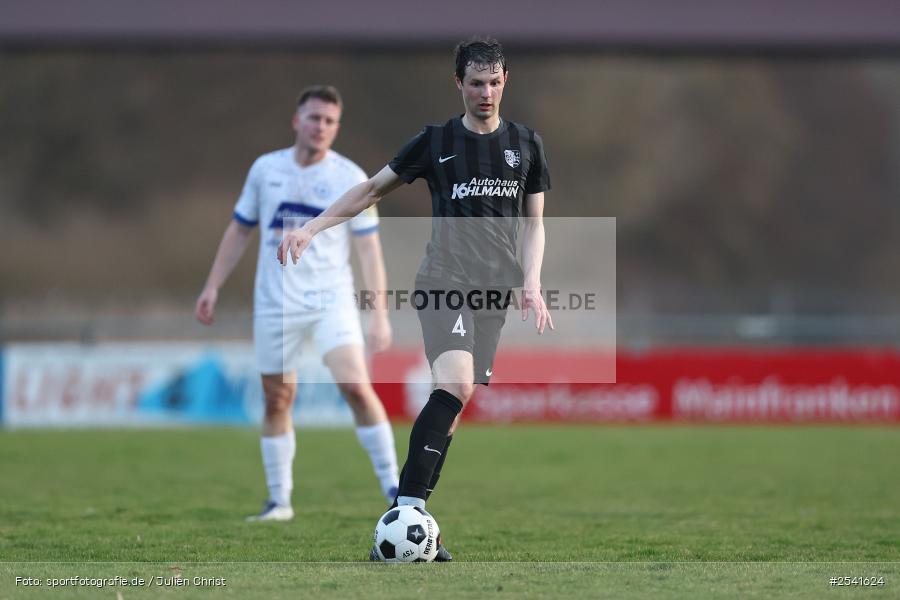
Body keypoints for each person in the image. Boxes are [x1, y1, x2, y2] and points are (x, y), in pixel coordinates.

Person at [278, 38, 553, 560]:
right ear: (459, 84)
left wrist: (533, 281)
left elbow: (535, 225)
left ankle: (416, 516)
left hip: (494, 292)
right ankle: (406, 511)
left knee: (456, 402)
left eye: (494, 82)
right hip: (443, 281)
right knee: (453, 383)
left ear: (505, 81)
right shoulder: (435, 141)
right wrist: (313, 227)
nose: (486, 92)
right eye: (476, 83)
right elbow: (370, 190)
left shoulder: (528, 145)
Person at [196, 85, 400, 522]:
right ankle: (279, 502)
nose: (320, 127)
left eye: (329, 121)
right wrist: (212, 285)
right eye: (313, 118)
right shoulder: (265, 169)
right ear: (297, 121)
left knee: (355, 388)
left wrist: (379, 312)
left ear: (336, 127)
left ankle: (394, 489)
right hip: (276, 303)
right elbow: (239, 231)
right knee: (277, 399)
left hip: (332, 302)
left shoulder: (351, 177)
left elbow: (369, 251)